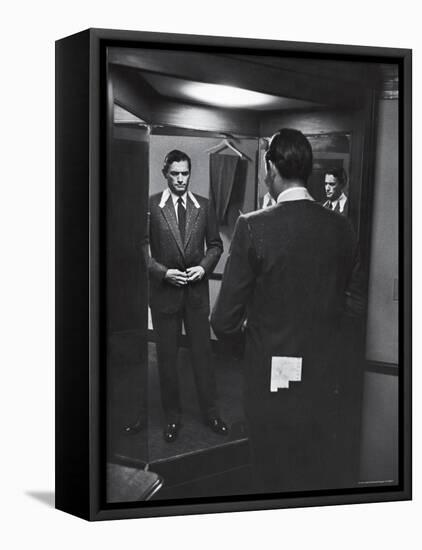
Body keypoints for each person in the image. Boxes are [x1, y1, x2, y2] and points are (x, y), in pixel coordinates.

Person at [211, 129, 365, 492]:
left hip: (269, 386)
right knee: (314, 479)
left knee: (269, 480)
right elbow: (356, 306)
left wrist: (256, 352)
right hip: (325, 383)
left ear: (271, 167)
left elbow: (223, 321)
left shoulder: (253, 226)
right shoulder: (342, 228)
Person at [147, 149, 228, 443]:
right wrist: (161, 272)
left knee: (202, 356)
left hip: (195, 294)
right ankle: (172, 417)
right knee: (167, 359)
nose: (181, 179)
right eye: (175, 174)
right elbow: (141, 249)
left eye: (185, 174)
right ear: (165, 174)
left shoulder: (203, 206)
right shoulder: (152, 206)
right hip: (164, 294)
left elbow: (216, 245)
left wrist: (204, 268)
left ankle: (211, 413)